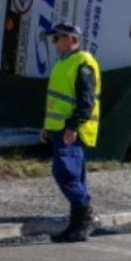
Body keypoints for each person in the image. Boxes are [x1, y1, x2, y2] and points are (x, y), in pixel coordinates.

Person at [40, 21, 101, 244]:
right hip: (60, 129)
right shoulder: (64, 62)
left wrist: (73, 127)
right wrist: (48, 127)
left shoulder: (83, 63)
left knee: (64, 173)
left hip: (72, 131)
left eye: (57, 38)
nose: (55, 42)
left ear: (70, 39)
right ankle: (77, 227)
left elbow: (86, 101)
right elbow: (58, 99)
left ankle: (86, 213)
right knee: (75, 176)